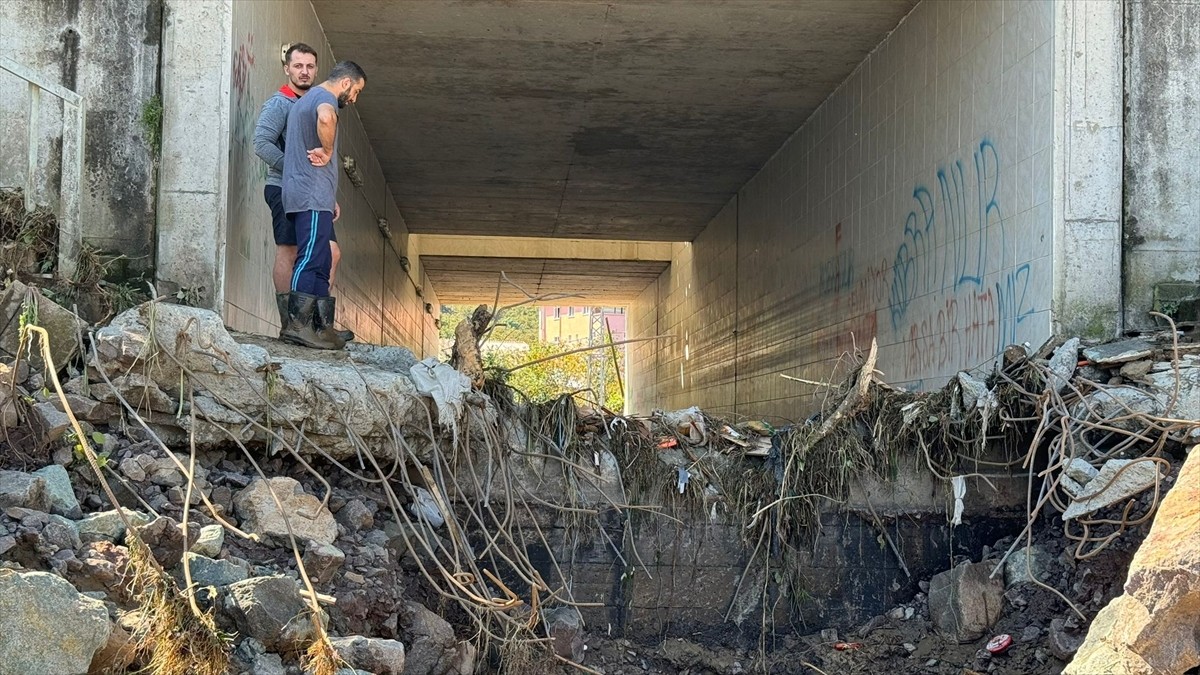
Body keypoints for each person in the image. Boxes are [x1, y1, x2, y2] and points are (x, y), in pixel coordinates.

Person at [252, 42, 345, 339]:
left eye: (309, 66)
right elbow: (261, 143)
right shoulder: (279, 103)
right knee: (289, 250)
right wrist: (292, 170)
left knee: (330, 251)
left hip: (312, 190)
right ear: (287, 69)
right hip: (282, 186)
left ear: (316, 70)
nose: (304, 72)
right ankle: (291, 323)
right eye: (298, 66)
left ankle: (318, 323)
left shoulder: (318, 100)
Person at [279, 61, 366, 350]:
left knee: (323, 261)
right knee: (310, 258)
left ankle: (322, 328)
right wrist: (328, 151)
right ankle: (299, 326)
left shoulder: (308, 99)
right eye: (356, 91)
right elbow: (327, 119)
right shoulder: (324, 99)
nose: (354, 98)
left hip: (315, 196)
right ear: (345, 83)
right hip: (311, 195)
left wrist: (330, 198)